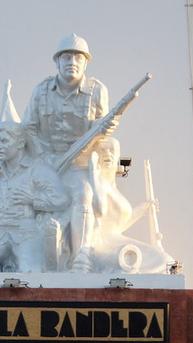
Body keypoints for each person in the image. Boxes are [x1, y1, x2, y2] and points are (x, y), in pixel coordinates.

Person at [21, 34, 118, 270]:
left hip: (79, 164)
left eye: (78, 57)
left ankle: (81, 256)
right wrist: (44, 156)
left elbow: (101, 134)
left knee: (83, 193)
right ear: (57, 62)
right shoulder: (41, 90)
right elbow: (28, 128)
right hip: (44, 160)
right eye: (66, 56)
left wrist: (103, 131)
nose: (71, 61)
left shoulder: (97, 91)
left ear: (86, 63)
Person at [0, 121, 67, 273]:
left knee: (32, 272)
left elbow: (61, 200)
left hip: (26, 233)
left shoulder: (38, 169)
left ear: (20, 143)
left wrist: (33, 199)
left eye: (4, 141)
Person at [86, 137, 174, 274]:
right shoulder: (99, 183)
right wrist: (93, 176)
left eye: (112, 151)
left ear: (118, 156)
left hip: (116, 238)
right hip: (105, 244)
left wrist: (141, 210)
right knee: (166, 263)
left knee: (169, 264)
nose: (107, 154)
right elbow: (100, 210)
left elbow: (118, 225)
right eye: (102, 151)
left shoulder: (113, 187)